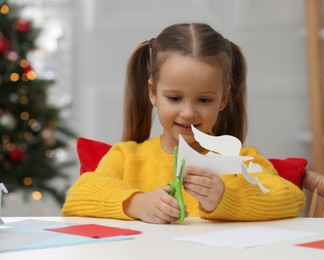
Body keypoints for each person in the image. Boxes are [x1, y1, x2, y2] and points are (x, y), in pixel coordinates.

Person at [62, 23, 305, 224]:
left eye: (204, 99)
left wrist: (226, 198)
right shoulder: (126, 158)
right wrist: (137, 203)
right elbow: (77, 197)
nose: (188, 113)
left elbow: (292, 199)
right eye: (175, 98)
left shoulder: (240, 162)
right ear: (153, 93)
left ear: (223, 100)